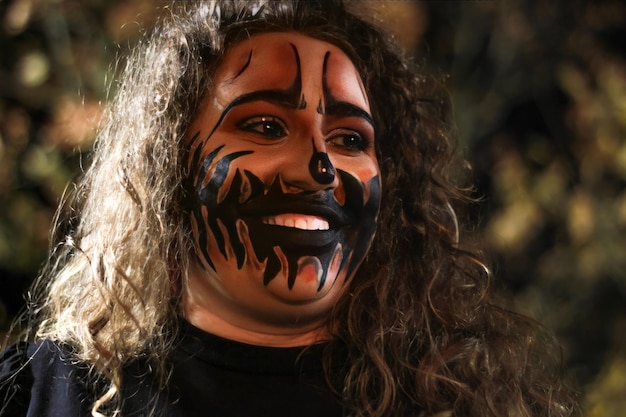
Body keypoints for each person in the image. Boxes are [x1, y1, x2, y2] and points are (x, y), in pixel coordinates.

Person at [0, 1, 580, 416]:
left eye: (351, 139)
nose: (320, 165)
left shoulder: (465, 403)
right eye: (266, 126)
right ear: (169, 169)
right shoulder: (37, 395)